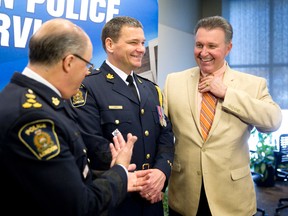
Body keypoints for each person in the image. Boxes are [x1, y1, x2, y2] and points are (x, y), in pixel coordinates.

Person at [0, 18, 151, 216]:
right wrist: (120, 171)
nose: (87, 72)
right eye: (87, 64)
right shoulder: (34, 119)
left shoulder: (23, 98)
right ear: (69, 62)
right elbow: (79, 207)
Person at [163, 15, 282, 216]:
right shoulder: (173, 81)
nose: (204, 52)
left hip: (232, 201)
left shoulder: (253, 85)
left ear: (228, 48)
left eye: (212, 46)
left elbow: (273, 120)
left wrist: (227, 94)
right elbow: (162, 132)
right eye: (199, 45)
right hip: (185, 198)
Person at [69, 16, 174, 216]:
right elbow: (90, 142)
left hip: (153, 199)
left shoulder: (152, 89)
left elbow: (166, 135)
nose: (141, 49)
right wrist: (136, 180)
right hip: (116, 200)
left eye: (143, 43)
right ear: (110, 44)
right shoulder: (88, 86)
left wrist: (161, 172)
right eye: (133, 42)